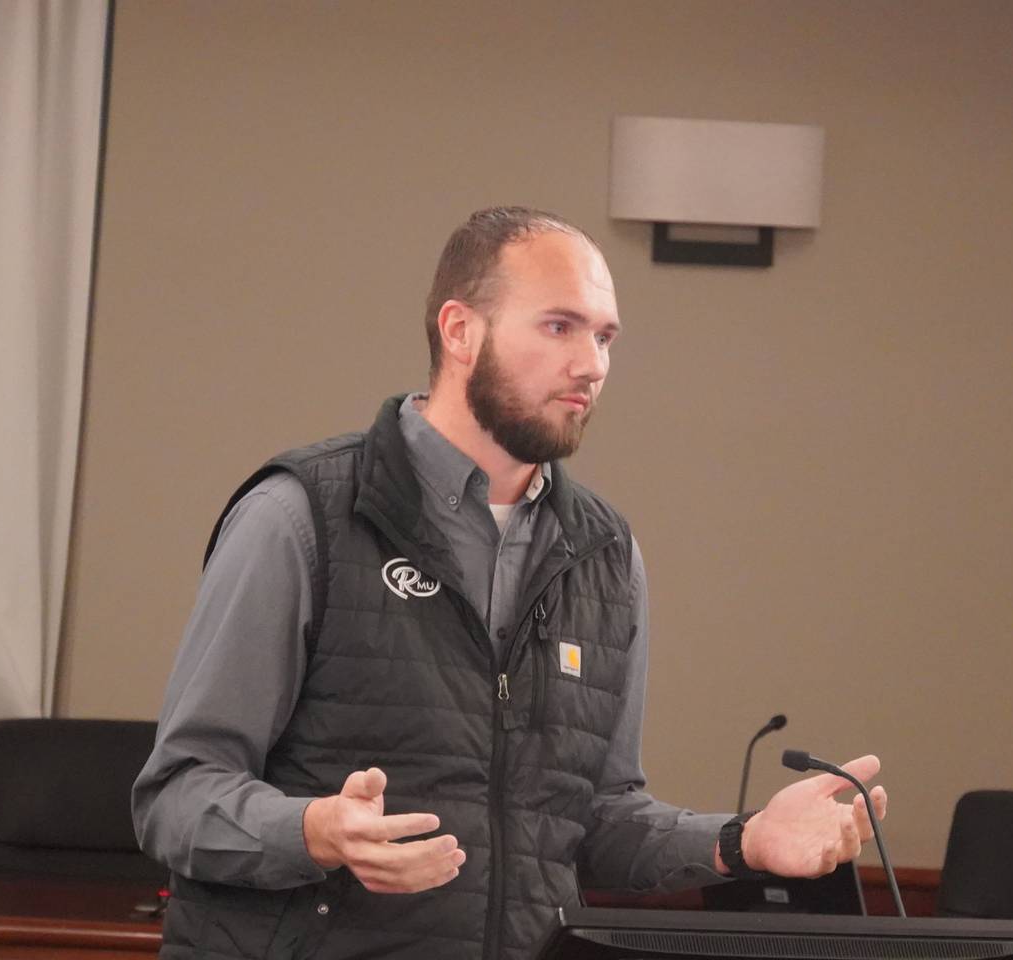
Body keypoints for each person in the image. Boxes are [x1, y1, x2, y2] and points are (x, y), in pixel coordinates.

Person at [132, 207, 887, 960]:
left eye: (605, 337)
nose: (591, 364)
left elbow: (592, 819)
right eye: (560, 326)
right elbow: (177, 795)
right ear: (460, 331)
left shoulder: (606, 554)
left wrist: (744, 840)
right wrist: (313, 832)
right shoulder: (301, 517)